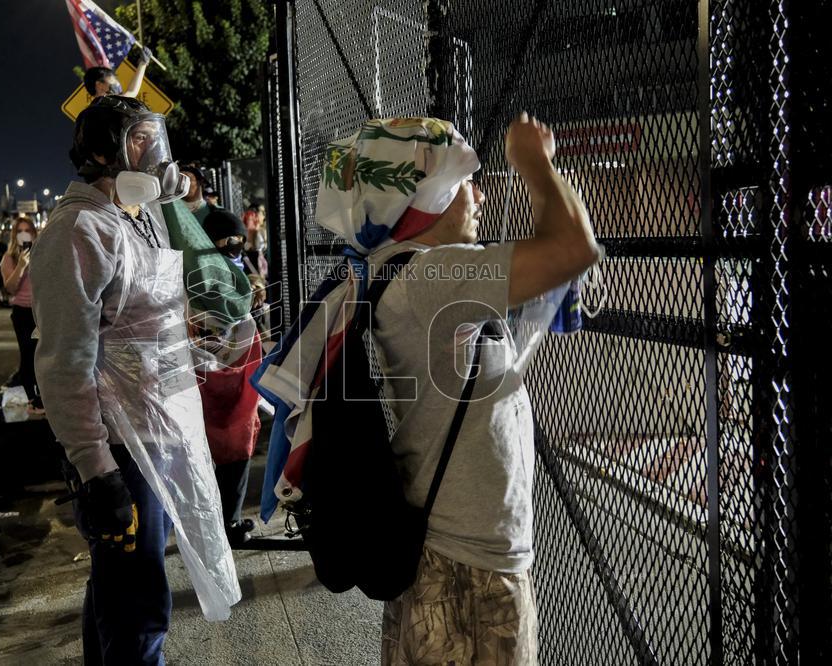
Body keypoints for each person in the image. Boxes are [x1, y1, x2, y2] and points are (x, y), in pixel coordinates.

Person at [255, 115, 599, 665]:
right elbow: (571, 250)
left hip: (445, 553)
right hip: (467, 568)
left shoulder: (393, 274)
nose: (479, 195)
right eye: (465, 182)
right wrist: (535, 163)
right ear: (424, 200)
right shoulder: (431, 278)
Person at [31, 94, 240, 664]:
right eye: (141, 140)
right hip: (122, 448)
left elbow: (138, 323)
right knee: (139, 598)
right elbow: (64, 363)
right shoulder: (78, 230)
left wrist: (194, 343)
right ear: (103, 152)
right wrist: (96, 471)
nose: (157, 154)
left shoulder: (139, 217)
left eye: (155, 138)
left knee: (118, 586)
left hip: (159, 430)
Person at [191, 208, 264, 545]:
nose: (234, 247)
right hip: (210, 380)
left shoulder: (239, 276)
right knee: (217, 449)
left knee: (238, 444)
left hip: (235, 379)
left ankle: (229, 520)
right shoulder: (197, 279)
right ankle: (216, 523)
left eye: (239, 240)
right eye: (226, 241)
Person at [0, 216, 43, 414]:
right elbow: (10, 288)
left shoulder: (42, 252)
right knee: (27, 353)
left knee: (42, 354)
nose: (24, 234)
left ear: (34, 234)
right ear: (14, 235)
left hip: (42, 311)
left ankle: (41, 394)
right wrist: (21, 266)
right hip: (22, 312)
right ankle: (31, 397)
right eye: (20, 231)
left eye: (27, 230)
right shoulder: (9, 258)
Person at [83, 47, 153, 99]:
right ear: (99, 85)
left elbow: (132, 92)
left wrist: (143, 64)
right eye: (112, 83)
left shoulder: (114, 102)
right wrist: (142, 64)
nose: (117, 85)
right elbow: (131, 93)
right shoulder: (106, 106)